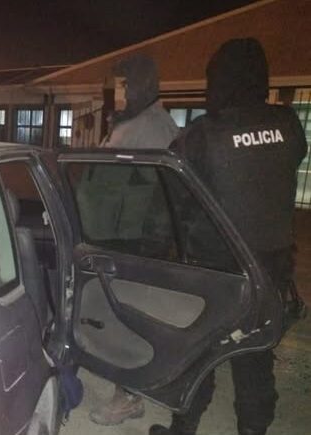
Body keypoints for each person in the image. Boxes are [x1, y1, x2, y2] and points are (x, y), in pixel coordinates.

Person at [149, 38, 308, 435]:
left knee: (199, 356)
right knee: (255, 359)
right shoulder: (289, 124)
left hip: (215, 275)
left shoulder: (202, 136)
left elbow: (170, 201)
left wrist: (156, 250)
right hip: (271, 272)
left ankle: (183, 429)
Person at [89, 53, 179, 426]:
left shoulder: (154, 126)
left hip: (135, 242)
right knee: (115, 314)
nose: (120, 92)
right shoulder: (134, 121)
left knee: (127, 319)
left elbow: (159, 191)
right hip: (118, 235)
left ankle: (128, 397)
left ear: (142, 85)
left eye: (125, 85)